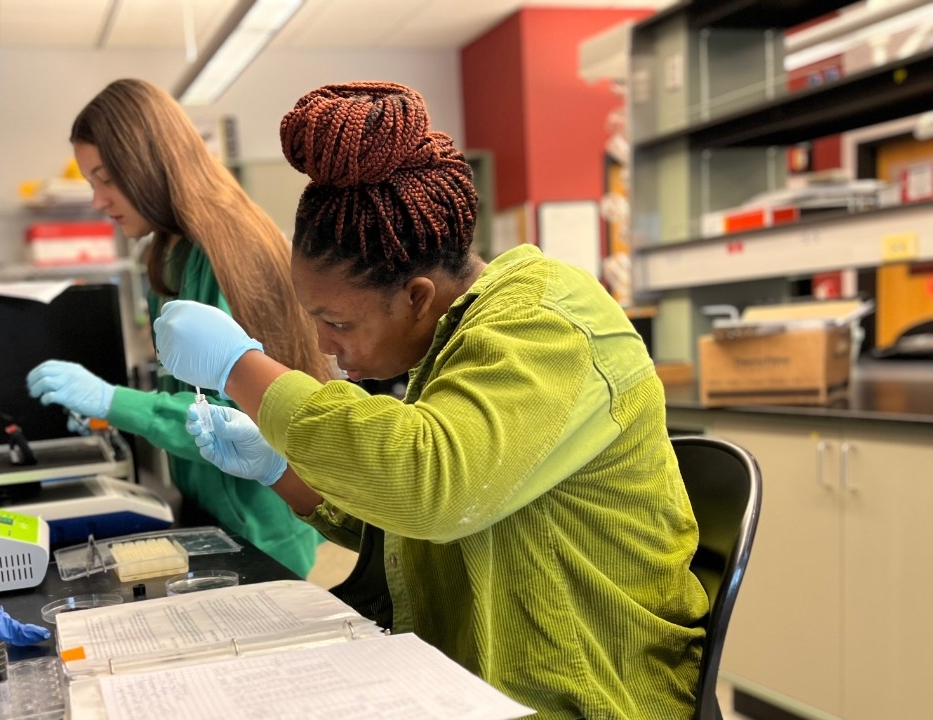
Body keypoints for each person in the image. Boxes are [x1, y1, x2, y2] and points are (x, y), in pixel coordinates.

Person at [152, 82, 710, 720]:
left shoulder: (546, 321)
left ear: (417, 296)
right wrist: (282, 471)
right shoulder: (455, 339)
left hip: (589, 693)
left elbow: (431, 486)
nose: (324, 346)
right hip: (467, 679)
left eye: (336, 322)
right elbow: (404, 524)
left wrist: (241, 369)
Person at [26, 79, 331, 577]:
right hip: (212, 505)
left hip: (259, 518)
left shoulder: (224, 246)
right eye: (91, 182)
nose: (98, 200)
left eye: (106, 178)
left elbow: (231, 414)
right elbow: (187, 388)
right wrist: (113, 415)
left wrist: (112, 402)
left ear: (147, 163)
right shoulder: (169, 249)